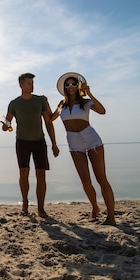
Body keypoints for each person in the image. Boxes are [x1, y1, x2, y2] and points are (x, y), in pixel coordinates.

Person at [52, 72, 116, 225]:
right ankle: (95, 208)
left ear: (78, 86)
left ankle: (111, 217)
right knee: (85, 181)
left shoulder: (86, 102)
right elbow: (49, 118)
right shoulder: (62, 104)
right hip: (74, 142)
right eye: (67, 85)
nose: (71, 87)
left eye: (74, 84)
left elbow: (102, 111)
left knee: (101, 179)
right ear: (64, 88)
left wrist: (89, 93)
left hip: (91, 139)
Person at [3, 73, 59, 218]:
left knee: (41, 174)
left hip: (39, 141)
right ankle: (25, 203)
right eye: (29, 83)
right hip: (22, 142)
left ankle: (41, 208)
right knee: (24, 173)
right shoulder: (14, 103)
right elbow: (8, 121)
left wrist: (54, 143)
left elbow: (48, 122)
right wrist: (5, 126)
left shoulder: (40, 100)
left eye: (33, 83)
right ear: (21, 85)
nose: (32, 86)